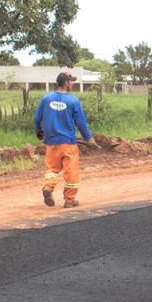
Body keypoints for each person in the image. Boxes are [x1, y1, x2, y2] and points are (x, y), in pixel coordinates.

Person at [34, 72, 98, 208]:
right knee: (71, 172)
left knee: (52, 169)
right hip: (68, 143)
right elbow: (81, 122)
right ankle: (69, 200)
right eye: (71, 81)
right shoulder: (73, 101)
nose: (72, 84)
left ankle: (48, 188)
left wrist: (39, 131)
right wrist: (89, 138)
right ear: (66, 83)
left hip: (51, 142)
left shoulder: (47, 98)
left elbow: (37, 118)